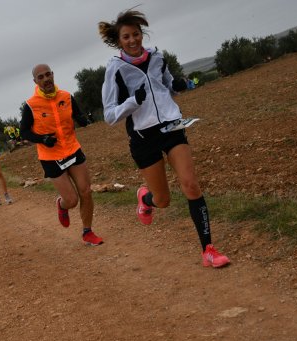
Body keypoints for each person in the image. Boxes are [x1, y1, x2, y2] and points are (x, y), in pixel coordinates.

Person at [99, 9, 230, 267]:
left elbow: (167, 85)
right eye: (126, 36)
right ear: (119, 40)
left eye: (136, 34)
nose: (133, 40)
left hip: (172, 127)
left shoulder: (158, 57)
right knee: (163, 200)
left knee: (191, 185)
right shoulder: (115, 69)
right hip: (143, 136)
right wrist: (132, 102)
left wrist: (179, 85)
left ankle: (209, 250)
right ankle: (145, 198)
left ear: (141, 33)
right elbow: (110, 115)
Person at [20, 64, 104, 246]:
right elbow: (24, 132)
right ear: (35, 81)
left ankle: (87, 232)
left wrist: (83, 119)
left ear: (53, 74)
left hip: (72, 149)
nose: (46, 79)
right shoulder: (31, 105)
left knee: (86, 191)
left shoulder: (66, 96)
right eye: (41, 77)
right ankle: (62, 204)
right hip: (50, 157)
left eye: (48, 74)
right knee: (72, 200)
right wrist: (42, 139)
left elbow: (78, 115)